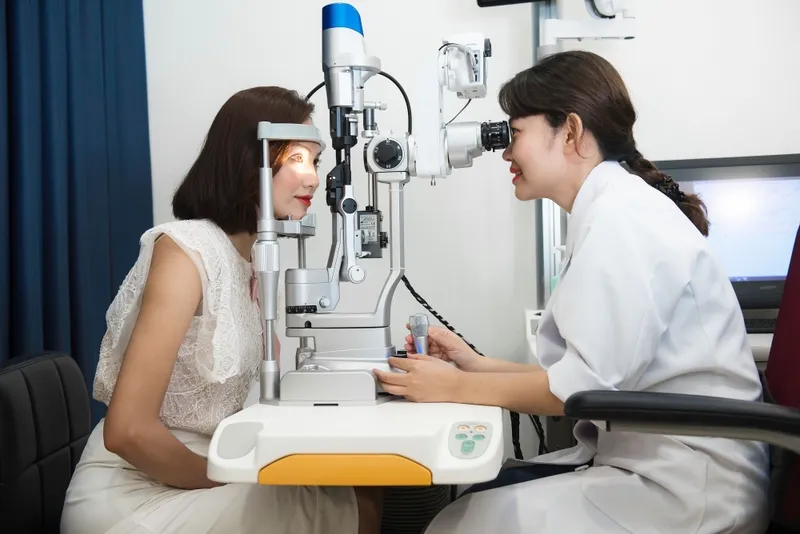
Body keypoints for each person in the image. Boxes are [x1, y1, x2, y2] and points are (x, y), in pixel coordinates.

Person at [374, 50, 770, 533]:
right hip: (662, 465)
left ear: (571, 131)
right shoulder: (612, 210)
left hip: (689, 490)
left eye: (514, 133)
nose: (504, 152)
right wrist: (475, 365)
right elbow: (590, 372)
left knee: (460, 525)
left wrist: (453, 387)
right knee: (471, 509)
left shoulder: (622, 222)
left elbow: (584, 388)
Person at [61, 86, 382, 534]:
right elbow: (127, 431)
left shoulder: (248, 258)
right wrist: (232, 477)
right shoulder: (186, 250)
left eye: (316, 161)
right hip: (134, 497)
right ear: (247, 161)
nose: (313, 179)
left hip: (195, 470)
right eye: (295, 159)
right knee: (354, 505)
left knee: (351, 487)